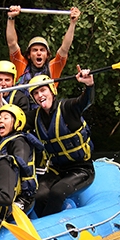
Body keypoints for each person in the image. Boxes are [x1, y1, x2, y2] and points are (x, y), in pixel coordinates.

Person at [25, 68, 95, 218]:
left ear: (52, 91)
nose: (40, 95)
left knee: (57, 192)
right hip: (56, 170)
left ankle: (47, 227)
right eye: (35, 93)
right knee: (37, 195)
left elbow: (86, 101)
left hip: (82, 170)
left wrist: (89, 85)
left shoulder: (68, 108)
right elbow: (13, 120)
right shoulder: (34, 117)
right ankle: (44, 225)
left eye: (43, 90)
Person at [6, 6, 81, 86]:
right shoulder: (21, 65)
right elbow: (12, 44)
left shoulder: (53, 67)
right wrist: (11, 17)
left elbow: (64, 48)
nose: (39, 53)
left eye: (42, 50)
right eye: (35, 50)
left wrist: (73, 23)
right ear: (29, 55)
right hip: (23, 98)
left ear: (47, 55)